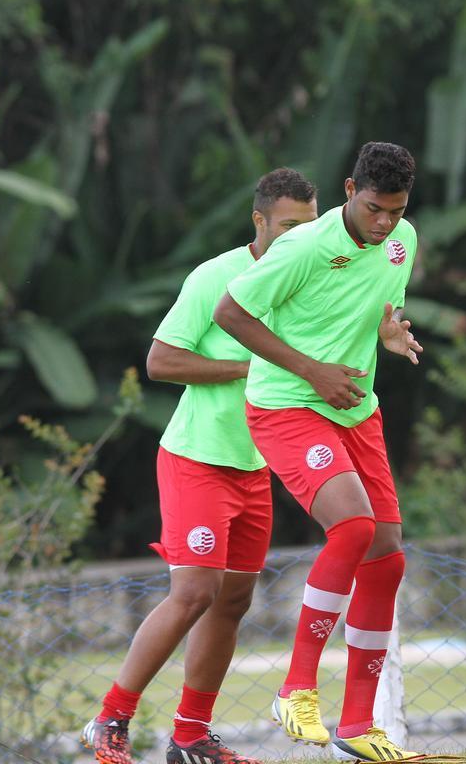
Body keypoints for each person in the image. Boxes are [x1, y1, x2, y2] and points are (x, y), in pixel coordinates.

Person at [80, 168, 319, 764]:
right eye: (288, 227)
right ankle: (111, 718)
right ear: (258, 221)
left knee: (234, 602)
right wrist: (249, 369)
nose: (298, 240)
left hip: (254, 466)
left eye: (309, 229)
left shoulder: (311, 279)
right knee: (194, 591)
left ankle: (190, 737)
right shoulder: (215, 276)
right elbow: (161, 362)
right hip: (196, 459)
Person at [213, 141, 423, 762]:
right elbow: (232, 313)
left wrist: (388, 331)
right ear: (349, 189)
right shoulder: (303, 246)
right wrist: (311, 370)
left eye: (397, 209)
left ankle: (358, 729)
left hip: (357, 409)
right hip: (287, 405)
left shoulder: (402, 241)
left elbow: (381, 305)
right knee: (354, 528)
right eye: (375, 207)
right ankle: (296, 688)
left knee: (387, 560)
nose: (385, 221)